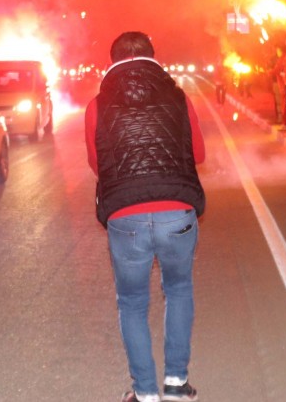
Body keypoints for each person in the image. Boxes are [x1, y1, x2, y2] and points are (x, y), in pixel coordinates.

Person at [85, 32, 205, 402]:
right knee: (179, 290)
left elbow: (97, 164)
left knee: (132, 302)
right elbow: (198, 153)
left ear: (113, 61)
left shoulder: (97, 105)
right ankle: (177, 384)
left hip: (126, 215)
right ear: (153, 57)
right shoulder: (179, 97)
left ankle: (145, 393)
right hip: (177, 209)